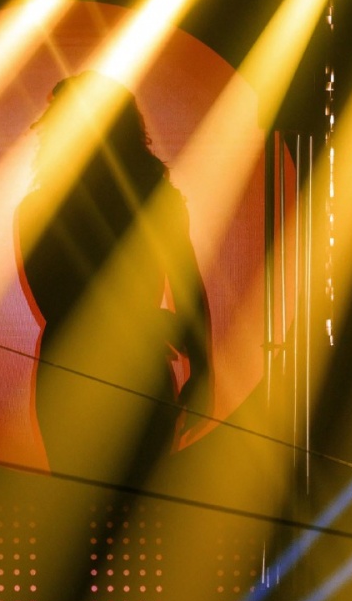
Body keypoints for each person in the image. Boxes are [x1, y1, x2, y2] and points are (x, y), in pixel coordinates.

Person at [18, 71, 214, 484]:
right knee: (143, 508)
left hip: (69, 377)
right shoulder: (155, 199)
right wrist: (200, 363)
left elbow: (58, 303)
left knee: (75, 512)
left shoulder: (37, 209)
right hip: (137, 369)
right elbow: (186, 283)